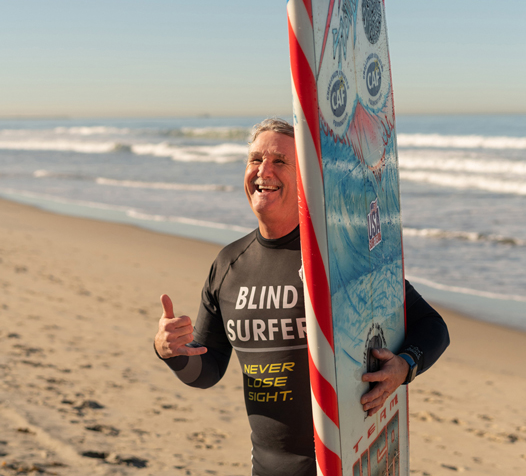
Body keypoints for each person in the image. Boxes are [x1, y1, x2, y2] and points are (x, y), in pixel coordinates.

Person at [154, 118, 449, 476]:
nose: (264, 170)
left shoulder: (342, 257)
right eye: (255, 159)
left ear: (306, 177)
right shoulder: (229, 265)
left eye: (280, 161)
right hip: (267, 467)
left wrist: (403, 366)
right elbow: (207, 370)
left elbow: (432, 326)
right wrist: (172, 351)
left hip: (346, 463)